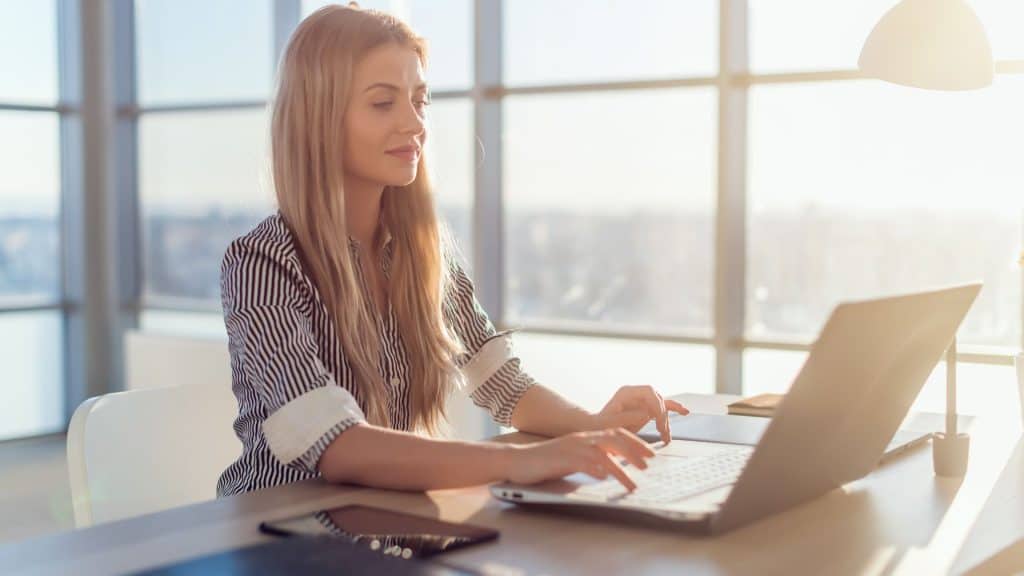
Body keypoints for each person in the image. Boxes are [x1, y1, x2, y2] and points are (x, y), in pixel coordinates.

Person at [216, 3, 688, 499]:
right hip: (281, 532)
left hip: (388, 521)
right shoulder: (261, 262)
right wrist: (519, 461)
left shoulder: (423, 249)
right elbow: (337, 447)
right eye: (383, 104)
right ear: (319, 118)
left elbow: (500, 380)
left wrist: (591, 426)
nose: (414, 124)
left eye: (420, 101)